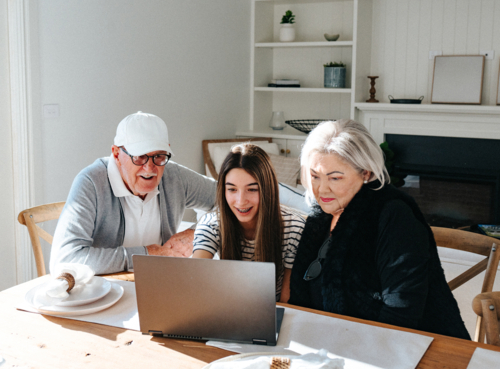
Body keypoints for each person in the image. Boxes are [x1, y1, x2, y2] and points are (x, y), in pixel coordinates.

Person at [288, 119, 470, 339]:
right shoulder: (320, 217)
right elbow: (301, 297)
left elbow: (401, 314)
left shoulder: (394, 215)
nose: (322, 188)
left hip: (415, 349)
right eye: (315, 176)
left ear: (366, 173)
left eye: (335, 178)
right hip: (333, 344)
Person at [50, 112, 217, 274]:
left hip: (161, 281)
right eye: (139, 157)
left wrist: (196, 233)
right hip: (105, 291)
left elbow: (229, 200)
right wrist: (146, 255)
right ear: (116, 153)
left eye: (158, 156)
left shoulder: (174, 176)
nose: (150, 168)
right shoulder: (91, 182)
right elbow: (65, 259)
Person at [192, 144, 305, 302]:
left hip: (275, 311)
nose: (240, 201)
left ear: (267, 189)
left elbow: (287, 301)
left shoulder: (294, 227)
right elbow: (192, 278)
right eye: (232, 189)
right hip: (227, 309)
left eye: (252, 189)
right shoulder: (211, 224)